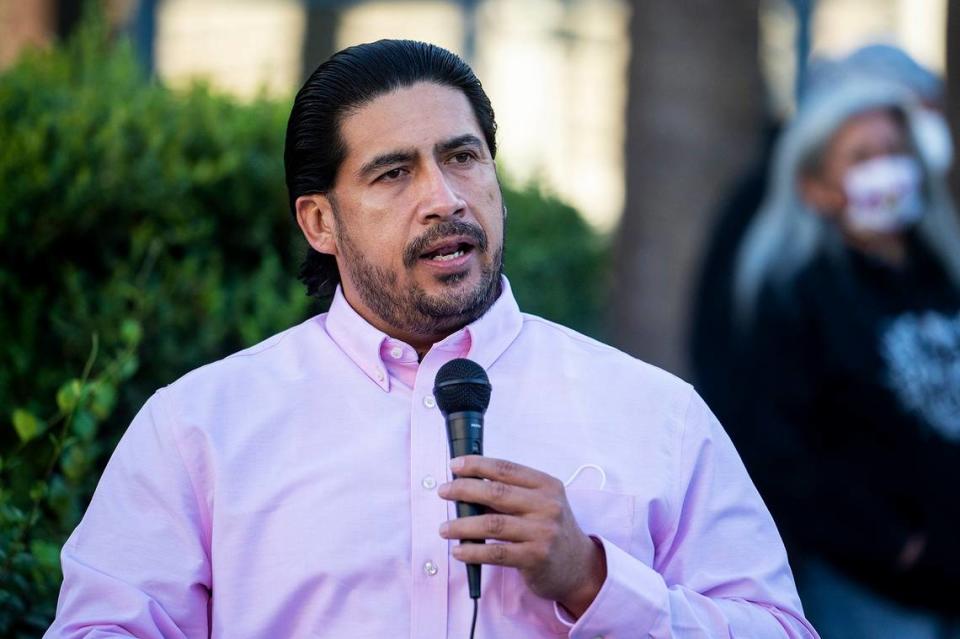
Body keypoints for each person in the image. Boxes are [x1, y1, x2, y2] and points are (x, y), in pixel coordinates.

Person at [45, 40, 817, 638]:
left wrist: (593, 577)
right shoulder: (202, 426)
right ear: (319, 221)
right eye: (393, 174)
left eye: (461, 157)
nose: (444, 199)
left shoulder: (654, 412)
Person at [730, 67, 960, 639]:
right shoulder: (798, 295)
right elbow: (782, 451)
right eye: (860, 156)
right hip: (871, 589)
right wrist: (894, 544)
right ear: (815, 187)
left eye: (893, 148)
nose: (886, 166)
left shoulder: (943, 273)